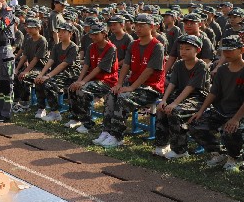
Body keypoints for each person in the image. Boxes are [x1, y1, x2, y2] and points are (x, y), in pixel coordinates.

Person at [96, 14, 165, 148]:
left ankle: (117, 136)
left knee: (123, 98)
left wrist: (132, 87)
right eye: (136, 25)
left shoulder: (157, 46)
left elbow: (149, 71)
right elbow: (126, 65)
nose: (138, 28)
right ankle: (107, 131)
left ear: (151, 27)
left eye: (142, 26)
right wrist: (119, 84)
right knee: (111, 94)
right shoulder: (133, 44)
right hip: (133, 84)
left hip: (150, 88)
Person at [189, 35, 244, 173]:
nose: (226, 53)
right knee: (195, 124)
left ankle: (234, 158)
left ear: (241, 50)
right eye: (224, 50)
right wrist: (201, 111)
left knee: (230, 130)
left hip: (239, 113)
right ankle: (218, 152)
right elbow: (213, 93)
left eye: (230, 50)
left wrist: (236, 119)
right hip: (221, 110)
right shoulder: (222, 70)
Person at [154, 35, 210, 159]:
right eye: (181, 48)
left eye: (188, 49)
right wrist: (164, 100)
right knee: (161, 107)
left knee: (175, 111)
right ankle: (162, 144)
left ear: (198, 50)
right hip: (181, 95)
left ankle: (180, 150)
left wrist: (174, 103)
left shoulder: (201, 65)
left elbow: (191, 87)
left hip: (198, 98)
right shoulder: (179, 64)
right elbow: (172, 83)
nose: (183, 51)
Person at [67, 23, 118, 133]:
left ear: (104, 34)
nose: (93, 37)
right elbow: (86, 65)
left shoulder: (111, 48)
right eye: (91, 34)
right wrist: (79, 80)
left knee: (83, 89)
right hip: (93, 79)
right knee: (72, 87)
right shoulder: (91, 46)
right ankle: (75, 118)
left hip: (108, 81)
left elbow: (99, 68)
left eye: (96, 34)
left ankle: (87, 123)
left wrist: (83, 82)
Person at [34, 22, 80, 121]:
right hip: (58, 74)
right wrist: (41, 74)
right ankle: (41, 108)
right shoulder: (57, 46)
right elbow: (50, 61)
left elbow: (64, 64)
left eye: (63, 32)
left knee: (48, 83)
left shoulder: (73, 47)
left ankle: (55, 112)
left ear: (70, 34)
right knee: (39, 81)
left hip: (70, 75)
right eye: (59, 31)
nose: (60, 34)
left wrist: (48, 76)